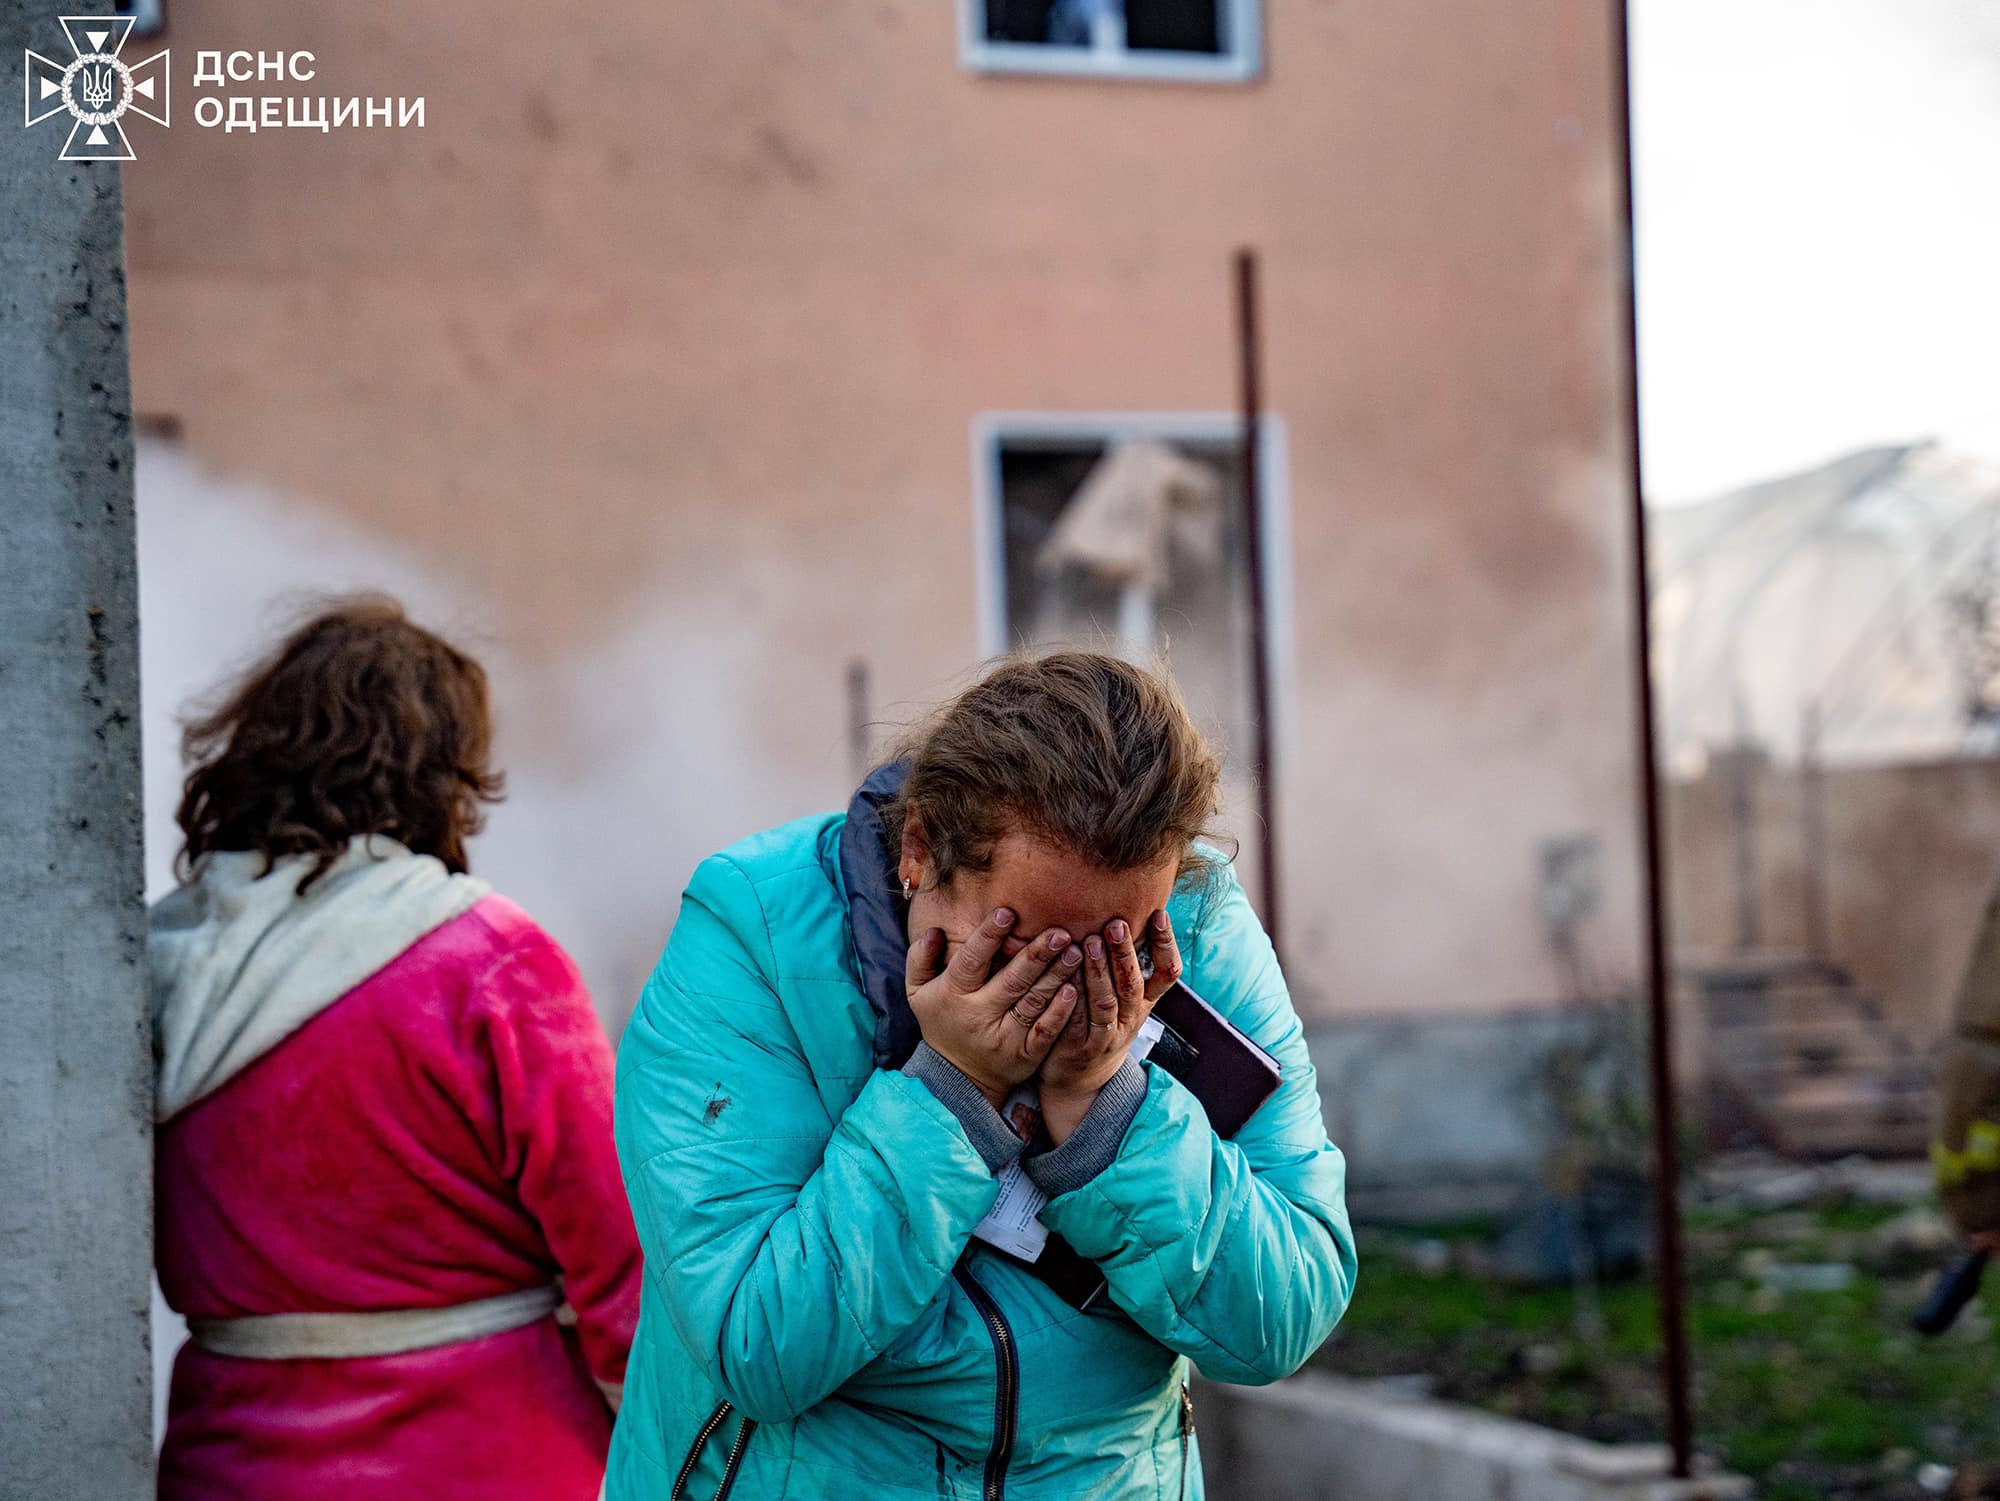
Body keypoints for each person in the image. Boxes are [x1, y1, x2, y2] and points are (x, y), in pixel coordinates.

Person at [610, 651, 1355, 1499]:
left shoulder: (1196, 924)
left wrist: (1113, 1111)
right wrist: (952, 1093)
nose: (1070, 994)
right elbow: (758, 1342)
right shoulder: (754, 934)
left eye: (1113, 949)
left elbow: (1286, 1315)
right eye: (1024, 948)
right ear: (920, 846)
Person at [152, 598, 640, 1501]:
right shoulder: (491, 962)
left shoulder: (158, 966)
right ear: (439, 772)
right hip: (489, 1462)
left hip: (229, 1470)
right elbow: (620, 1257)